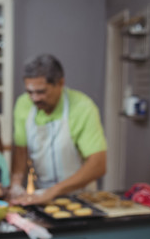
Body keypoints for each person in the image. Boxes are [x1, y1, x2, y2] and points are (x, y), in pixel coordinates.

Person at [10, 54, 107, 205]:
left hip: (81, 196)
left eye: (41, 92)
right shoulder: (23, 105)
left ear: (60, 83)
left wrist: (53, 191)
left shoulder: (83, 107)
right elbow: (21, 152)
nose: (35, 99)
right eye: (30, 92)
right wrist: (16, 185)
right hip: (41, 197)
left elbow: (98, 165)